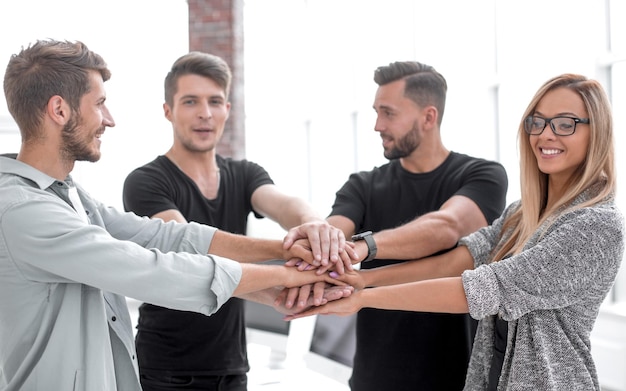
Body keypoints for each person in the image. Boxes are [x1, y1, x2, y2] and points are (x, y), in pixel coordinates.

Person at [0, 39, 353, 391]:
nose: (109, 120)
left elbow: (168, 238)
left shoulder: (70, 196)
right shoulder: (25, 211)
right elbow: (152, 269)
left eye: (215, 102)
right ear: (60, 111)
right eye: (100, 104)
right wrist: (289, 279)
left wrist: (288, 248)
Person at [287, 73, 625, 391]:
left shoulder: (595, 226)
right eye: (537, 122)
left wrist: (363, 298)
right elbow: (460, 260)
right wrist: (364, 279)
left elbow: (481, 288)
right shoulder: (522, 214)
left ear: (596, 132)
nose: (545, 134)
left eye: (565, 124)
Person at [122, 51, 356, 391]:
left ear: (227, 111)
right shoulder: (146, 182)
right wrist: (282, 282)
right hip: (164, 370)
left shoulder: (245, 174)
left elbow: (283, 204)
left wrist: (315, 225)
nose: (205, 113)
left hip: (231, 369)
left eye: (215, 101)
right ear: (168, 111)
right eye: (190, 101)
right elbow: (193, 259)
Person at [283, 61, 508, 391]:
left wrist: (364, 247)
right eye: (376, 112)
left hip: (458, 376)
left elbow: (446, 226)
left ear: (428, 117)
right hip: (375, 377)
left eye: (388, 113)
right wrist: (321, 237)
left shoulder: (482, 176)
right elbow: (334, 234)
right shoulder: (362, 185)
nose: (377, 125)